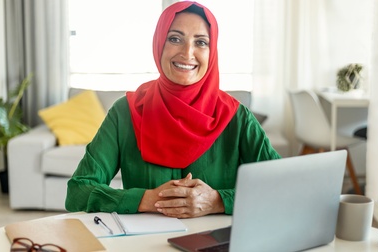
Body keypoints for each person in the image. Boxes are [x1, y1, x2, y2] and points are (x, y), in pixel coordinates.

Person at [65, 1, 280, 219]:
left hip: (217, 242)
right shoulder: (125, 112)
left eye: (201, 42)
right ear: (159, 43)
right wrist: (147, 199)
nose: (188, 53)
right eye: (175, 39)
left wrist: (217, 201)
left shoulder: (237, 117)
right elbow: (77, 192)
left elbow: (281, 187)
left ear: (212, 51)